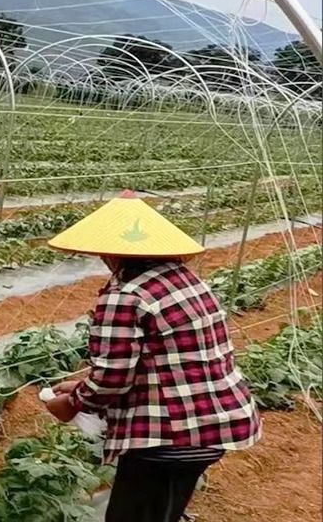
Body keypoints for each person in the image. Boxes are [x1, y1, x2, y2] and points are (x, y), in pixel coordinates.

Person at [43, 191, 262, 522]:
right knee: (163, 511)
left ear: (111, 252)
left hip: (168, 437)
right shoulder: (185, 281)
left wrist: (73, 402)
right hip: (215, 426)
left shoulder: (124, 295)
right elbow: (162, 357)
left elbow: (113, 378)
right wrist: (84, 383)